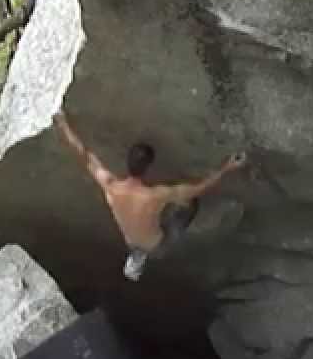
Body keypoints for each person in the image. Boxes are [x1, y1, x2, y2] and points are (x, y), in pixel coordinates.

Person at [52, 109, 247, 280]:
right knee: (190, 204)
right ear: (148, 169)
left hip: (131, 239)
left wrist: (64, 123)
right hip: (157, 244)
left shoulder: (109, 185)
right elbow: (198, 188)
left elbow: (84, 154)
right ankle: (139, 257)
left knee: (142, 236)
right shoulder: (156, 195)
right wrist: (227, 167)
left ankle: (136, 258)